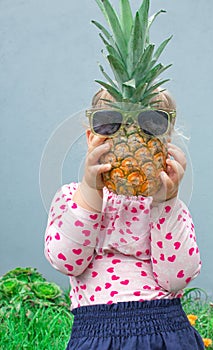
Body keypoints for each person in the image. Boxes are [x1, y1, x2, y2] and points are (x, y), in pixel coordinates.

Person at [44, 88, 204, 349]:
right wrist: (89, 190)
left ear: (165, 143)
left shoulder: (172, 208)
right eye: (109, 122)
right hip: (96, 333)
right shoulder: (72, 197)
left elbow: (177, 277)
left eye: (151, 123)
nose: (129, 138)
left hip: (166, 331)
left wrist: (165, 202)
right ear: (90, 137)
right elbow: (68, 261)